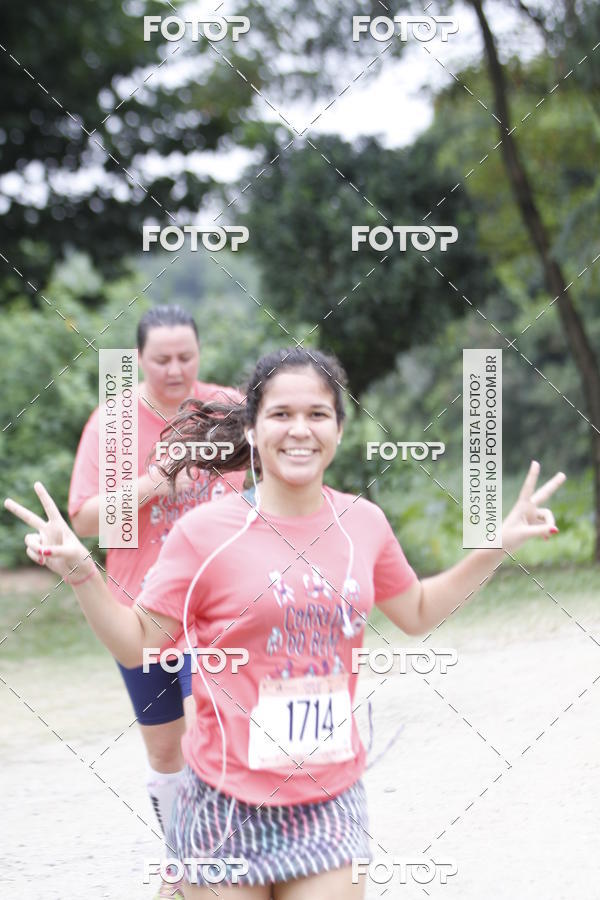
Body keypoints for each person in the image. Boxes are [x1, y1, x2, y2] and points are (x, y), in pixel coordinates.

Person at [6, 346, 565, 900]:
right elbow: (137, 645)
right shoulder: (204, 533)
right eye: (281, 414)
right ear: (252, 429)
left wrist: (494, 547)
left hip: (329, 803)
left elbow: (416, 610)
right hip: (221, 806)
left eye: (317, 414)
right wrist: (82, 571)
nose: (300, 430)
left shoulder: (362, 523)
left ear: (339, 431)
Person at [67, 305, 245, 899]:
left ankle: (228, 862)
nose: (176, 369)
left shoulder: (226, 411)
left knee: (209, 730)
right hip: (142, 612)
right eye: (162, 359)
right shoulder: (113, 425)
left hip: (220, 607)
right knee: (167, 753)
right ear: (138, 359)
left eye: (186, 357)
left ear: (200, 352)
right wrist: (155, 480)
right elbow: (89, 520)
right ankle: (182, 863)